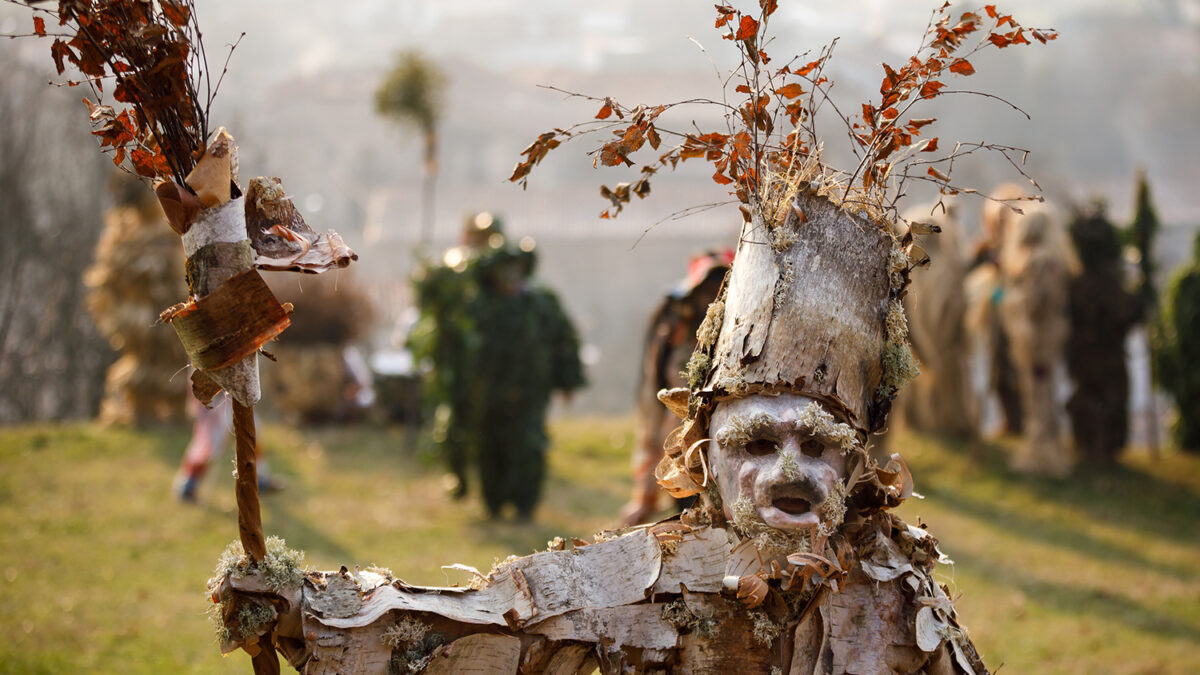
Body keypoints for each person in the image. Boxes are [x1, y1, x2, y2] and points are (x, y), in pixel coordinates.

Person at [215, 190, 987, 674]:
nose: (792, 470)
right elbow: (470, 630)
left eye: (818, 445)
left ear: (857, 465)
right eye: (756, 442)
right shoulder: (644, 584)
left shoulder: (902, 604)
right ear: (705, 456)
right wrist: (301, 612)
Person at [470, 242, 585, 520]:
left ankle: (525, 505)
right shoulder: (479, 307)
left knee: (530, 446)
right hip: (489, 395)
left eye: (515, 268)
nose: (510, 275)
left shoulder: (541, 303)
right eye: (503, 269)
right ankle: (494, 504)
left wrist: (567, 380)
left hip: (532, 392)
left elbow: (564, 341)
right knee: (491, 447)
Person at [622, 249, 733, 525]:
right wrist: (645, 497)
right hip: (684, 452)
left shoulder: (745, 331)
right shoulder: (675, 333)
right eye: (706, 290)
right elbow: (653, 416)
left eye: (718, 290)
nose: (711, 298)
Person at [407, 212, 504, 498]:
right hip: (456, 361)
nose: (483, 243)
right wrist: (425, 274)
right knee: (454, 422)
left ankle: (494, 482)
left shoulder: (501, 271)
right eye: (478, 237)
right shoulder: (453, 268)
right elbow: (430, 302)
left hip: (492, 362)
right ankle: (458, 475)